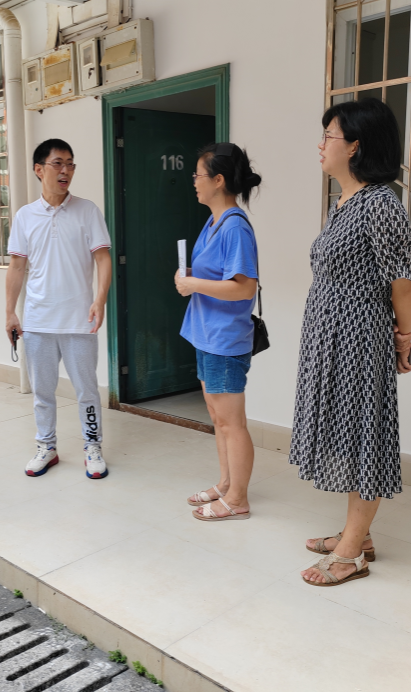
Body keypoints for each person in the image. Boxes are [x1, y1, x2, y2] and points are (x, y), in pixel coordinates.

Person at [293, 98, 411, 586]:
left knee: (365, 435)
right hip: (330, 337)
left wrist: (403, 339)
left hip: (360, 339)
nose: (320, 145)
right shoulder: (344, 203)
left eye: (329, 136)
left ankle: (351, 555)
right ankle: (357, 533)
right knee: (344, 434)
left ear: (355, 147)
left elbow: (403, 283)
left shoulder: (381, 204)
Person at [6, 138, 112, 479]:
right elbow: (17, 267)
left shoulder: (87, 211)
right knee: (42, 392)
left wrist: (100, 299)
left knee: (87, 391)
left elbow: (103, 259)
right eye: (58, 163)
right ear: (39, 170)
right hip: (38, 320)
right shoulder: (25, 216)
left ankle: (92, 446)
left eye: (70, 164)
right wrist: (10, 312)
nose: (65, 170)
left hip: (80, 320)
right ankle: (46, 447)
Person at [176, 143, 263, 521]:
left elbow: (244, 287)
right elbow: (214, 275)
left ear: (219, 180)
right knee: (217, 416)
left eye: (198, 175)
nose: (194, 181)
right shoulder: (213, 222)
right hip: (205, 334)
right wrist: (189, 277)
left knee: (232, 422)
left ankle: (238, 499)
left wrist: (194, 284)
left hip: (224, 339)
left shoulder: (235, 226)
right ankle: (227, 483)